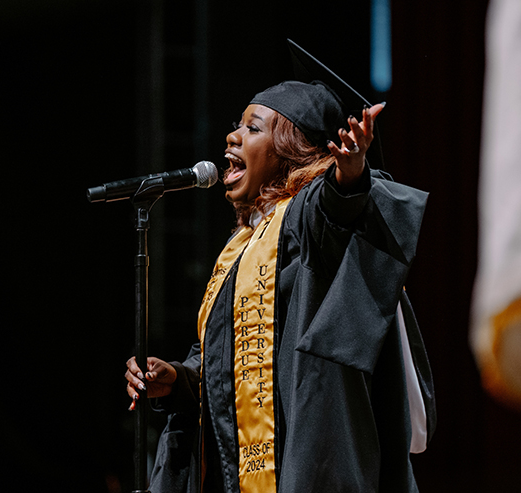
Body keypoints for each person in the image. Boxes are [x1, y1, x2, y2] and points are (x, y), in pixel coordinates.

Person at [125, 40, 435, 493]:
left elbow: (337, 210)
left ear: (290, 150)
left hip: (304, 465)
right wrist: (179, 379)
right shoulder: (240, 247)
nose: (232, 137)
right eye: (237, 126)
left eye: (253, 128)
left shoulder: (304, 220)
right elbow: (226, 362)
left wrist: (347, 174)